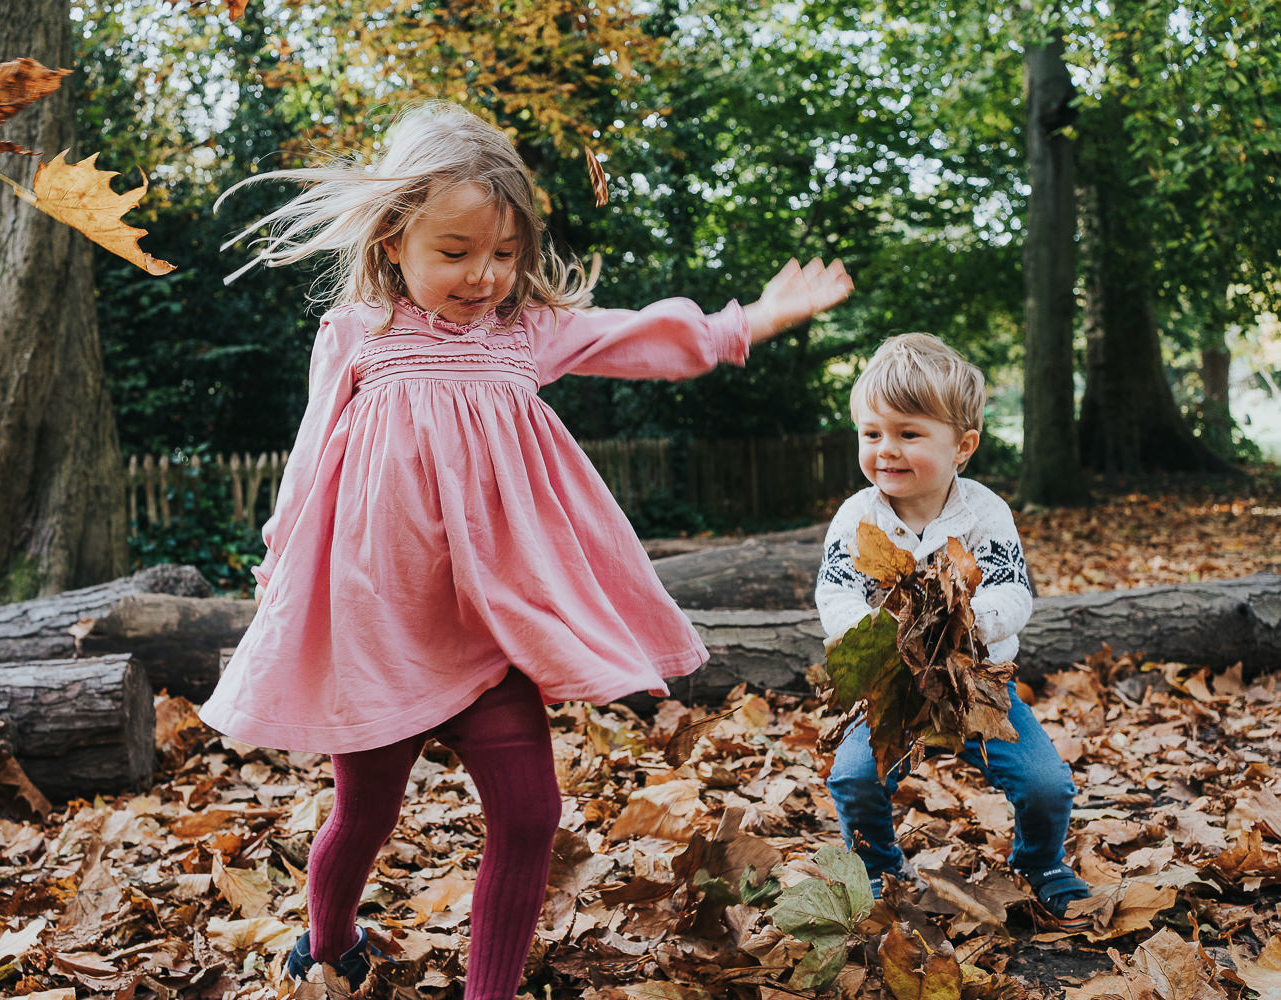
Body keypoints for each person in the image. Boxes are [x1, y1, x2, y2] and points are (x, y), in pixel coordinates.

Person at [199, 101, 854, 998]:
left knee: (531, 814)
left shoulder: (525, 333)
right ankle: (327, 941)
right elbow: (309, 465)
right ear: (393, 241)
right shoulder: (361, 332)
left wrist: (754, 319)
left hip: (494, 626)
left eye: (505, 254)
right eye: (457, 252)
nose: (484, 276)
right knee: (364, 815)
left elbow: (643, 340)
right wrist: (282, 574)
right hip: (382, 628)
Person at [814, 333, 1091, 926]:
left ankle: (1042, 865)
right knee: (856, 776)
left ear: (962, 446)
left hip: (976, 683)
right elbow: (834, 592)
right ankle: (880, 871)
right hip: (894, 687)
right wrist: (877, 633)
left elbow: (1014, 592)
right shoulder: (857, 518)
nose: (886, 450)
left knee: (1046, 785)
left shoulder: (985, 514)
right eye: (872, 434)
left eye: (909, 434)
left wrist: (970, 622)